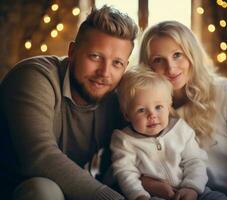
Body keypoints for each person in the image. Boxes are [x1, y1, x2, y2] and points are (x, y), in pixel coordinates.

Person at [0, 5, 138, 200]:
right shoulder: (33, 77)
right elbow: (40, 157)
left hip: (73, 192)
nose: (105, 72)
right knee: (44, 190)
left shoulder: (117, 96)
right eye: (95, 56)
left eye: (117, 63)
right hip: (18, 189)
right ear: (72, 51)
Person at [138, 20, 227, 200]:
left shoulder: (226, 92)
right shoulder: (146, 110)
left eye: (177, 55)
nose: (171, 67)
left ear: (192, 55)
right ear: (148, 66)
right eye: (158, 60)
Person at [111, 67, 227, 200]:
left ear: (168, 106)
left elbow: (195, 160)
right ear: (127, 114)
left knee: (218, 197)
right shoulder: (124, 140)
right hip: (154, 195)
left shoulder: (180, 129)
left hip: (194, 191)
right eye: (141, 110)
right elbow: (125, 172)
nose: (152, 115)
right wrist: (139, 195)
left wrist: (192, 188)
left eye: (158, 107)